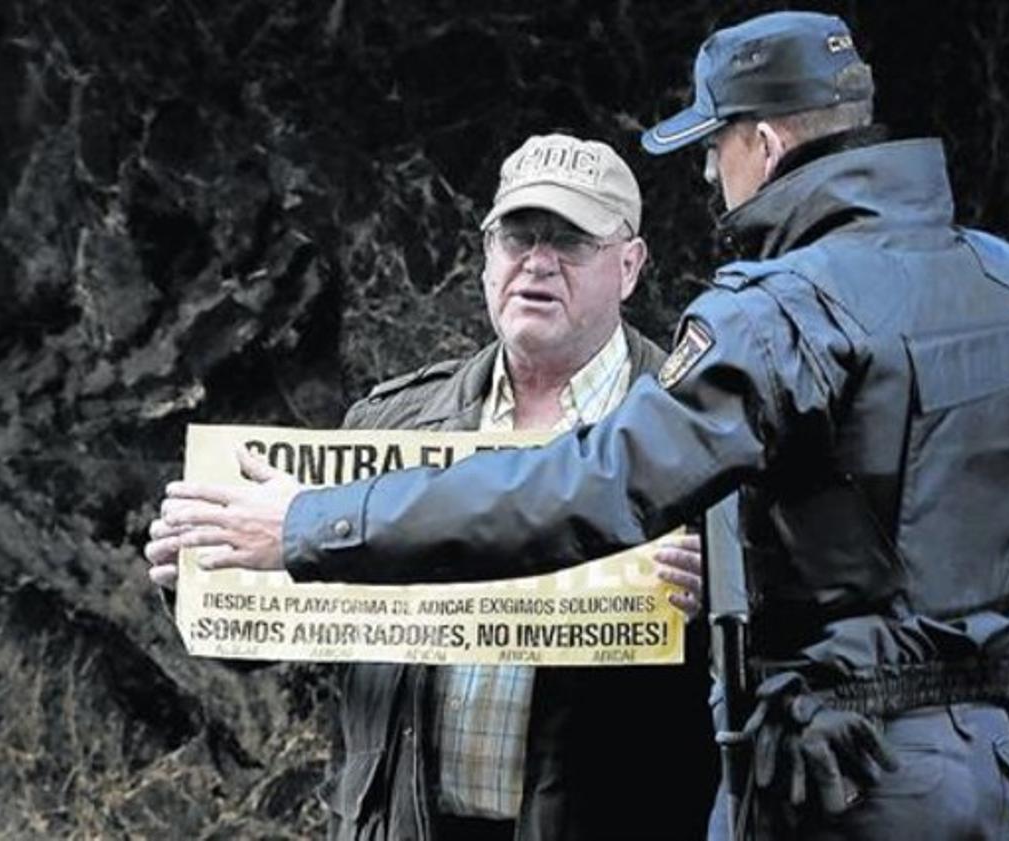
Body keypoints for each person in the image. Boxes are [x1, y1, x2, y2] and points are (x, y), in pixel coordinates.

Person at [154, 11, 1009, 840]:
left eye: (712, 150)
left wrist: (313, 523)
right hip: (987, 763)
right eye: (516, 238)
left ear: (761, 145)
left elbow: (594, 484)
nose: (713, 179)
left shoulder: (781, 309)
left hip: (832, 774)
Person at [146, 133, 717, 841]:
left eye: (570, 241)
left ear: (629, 266)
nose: (537, 262)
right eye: (518, 236)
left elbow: (797, 641)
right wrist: (203, 570)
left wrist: (720, 601)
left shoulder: (694, 425)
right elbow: (277, 640)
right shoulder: (392, 419)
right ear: (486, 257)